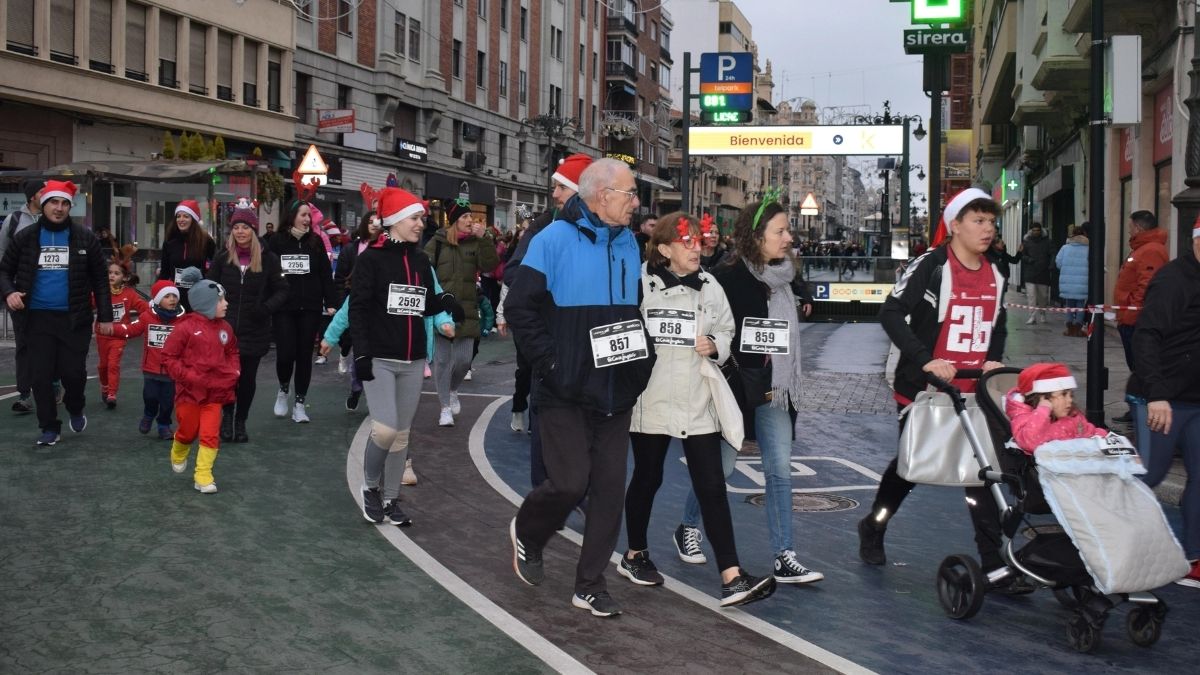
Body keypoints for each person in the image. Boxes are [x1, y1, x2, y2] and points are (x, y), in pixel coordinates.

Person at [506, 158, 655, 618]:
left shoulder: (630, 242)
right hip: (564, 390)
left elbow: (633, 308)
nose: (636, 202)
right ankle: (529, 533)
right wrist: (553, 363)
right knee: (569, 485)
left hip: (616, 390)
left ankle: (589, 584)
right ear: (601, 194)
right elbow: (520, 309)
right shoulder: (551, 240)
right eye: (629, 193)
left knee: (610, 491)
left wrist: (641, 361)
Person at [857, 188, 1024, 591]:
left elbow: (996, 325)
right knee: (911, 467)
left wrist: (994, 360)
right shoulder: (931, 266)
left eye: (990, 221)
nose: (987, 229)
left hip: (974, 390)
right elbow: (891, 313)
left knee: (981, 474)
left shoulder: (996, 272)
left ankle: (991, 560)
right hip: (923, 389)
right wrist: (925, 359)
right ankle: (874, 525)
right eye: (978, 221)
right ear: (954, 226)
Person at [620, 212, 776, 607]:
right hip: (651, 397)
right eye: (686, 242)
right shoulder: (640, 282)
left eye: (699, 241)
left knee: (711, 485)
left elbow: (727, 328)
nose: (696, 248)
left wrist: (715, 344)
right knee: (648, 477)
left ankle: (732, 576)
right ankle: (635, 554)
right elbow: (622, 327)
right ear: (664, 247)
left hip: (697, 395)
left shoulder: (710, 285)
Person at [712, 190, 823, 585]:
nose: (789, 238)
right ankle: (689, 525)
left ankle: (784, 555)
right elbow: (714, 329)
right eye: (782, 231)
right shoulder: (729, 277)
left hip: (776, 389)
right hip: (738, 387)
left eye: (788, 230)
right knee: (720, 467)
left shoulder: (785, 277)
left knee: (779, 470)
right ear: (757, 236)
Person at [349, 187, 462, 526]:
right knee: (384, 430)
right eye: (415, 218)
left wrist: (446, 304)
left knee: (400, 434)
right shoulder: (370, 259)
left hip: (413, 360)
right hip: (380, 358)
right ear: (396, 221)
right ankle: (370, 486)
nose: (420, 224)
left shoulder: (420, 259)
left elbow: (424, 303)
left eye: (421, 219)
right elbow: (358, 308)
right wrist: (362, 353)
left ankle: (390, 498)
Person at [0, 180, 112, 446]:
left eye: (64, 204)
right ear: (43, 204)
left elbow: (100, 279)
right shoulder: (25, 237)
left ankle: (75, 406)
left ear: (70, 207)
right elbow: (4, 270)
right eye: (54, 202)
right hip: (36, 319)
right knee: (40, 376)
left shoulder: (85, 238)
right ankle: (49, 427)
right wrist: (9, 292)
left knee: (73, 374)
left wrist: (106, 317)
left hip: (75, 320)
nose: (59, 208)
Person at [501, 153, 592, 477]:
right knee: (546, 428)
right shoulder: (543, 227)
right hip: (549, 341)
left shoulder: (612, 234)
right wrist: (550, 283)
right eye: (555, 186)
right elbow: (513, 273)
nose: (553, 193)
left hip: (589, 354)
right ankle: (543, 503)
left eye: (561, 187)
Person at [1128, 222, 1200, 587]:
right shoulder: (1174, 280)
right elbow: (1147, 336)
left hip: (1195, 400)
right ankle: (1119, 545)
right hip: (1162, 399)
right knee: (1149, 475)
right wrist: (1156, 394)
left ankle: (1193, 557)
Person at [207, 203, 288, 443]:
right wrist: (215, 310)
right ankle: (227, 418)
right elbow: (210, 287)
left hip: (255, 329)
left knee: (247, 379)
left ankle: (241, 421)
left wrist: (264, 309)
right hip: (226, 329)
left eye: (245, 227)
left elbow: (282, 290)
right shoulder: (222, 258)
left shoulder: (268, 258)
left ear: (253, 229)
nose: (240, 231)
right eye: (236, 227)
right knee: (227, 377)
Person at [162, 271, 240, 494]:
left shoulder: (225, 328)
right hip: (189, 393)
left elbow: (233, 350)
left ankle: (203, 474)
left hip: (215, 393)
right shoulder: (184, 328)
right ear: (207, 304)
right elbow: (169, 358)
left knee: (209, 433)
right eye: (220, 300)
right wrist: (188, 377)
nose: (225, 304)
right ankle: (179, 447)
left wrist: (234, 370)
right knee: (188, 430)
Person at [424, 199, 499, 426]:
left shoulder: (476, 243)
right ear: (455, 221)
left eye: (471, 217)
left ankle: (453, 389)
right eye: (465, 217)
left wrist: (485, 239)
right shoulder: (437, 243)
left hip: (466, 310)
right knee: (443, 362)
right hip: (441, 311)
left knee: (464, 360)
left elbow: (490, 265)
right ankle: (445, 408)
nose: (470, 221)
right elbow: (424, 270)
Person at [267, 199, 338, 423]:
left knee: (304, 356)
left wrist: (330, 301)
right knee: (286, 353)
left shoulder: (316, 242)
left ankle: (299, 403)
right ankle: (283, 388)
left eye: (309, 215)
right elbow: (268, 272)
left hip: (310, 307)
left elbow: (326, 275)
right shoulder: (277, 241)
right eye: (303, 214)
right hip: (284, 307)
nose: (307, 219)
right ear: (292, 216)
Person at [1113, 210, 1169, 424]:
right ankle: (1137, 406)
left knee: (1141, 366)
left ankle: (1143, 407)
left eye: (1130, 225)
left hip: (1136, 320)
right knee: (1136, 366)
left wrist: (1131, 313)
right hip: (1129, 317)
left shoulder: (1150, 250)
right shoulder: (1142, 248)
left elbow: (1146, 286)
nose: (1128, 229)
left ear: (1138, 227)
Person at [2, 180, 43, 414]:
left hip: (49, 292)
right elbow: (2, 255)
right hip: (20, 291)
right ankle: (25, 394)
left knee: (51, 340)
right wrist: (7, 289)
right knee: (24, 344)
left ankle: (54, 383)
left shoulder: (54, 221)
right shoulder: (14, 220)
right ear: (31, 197)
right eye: (42, 192)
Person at [1004, 363, 1106, 452]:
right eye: (1064, 394)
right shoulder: (1025, 419)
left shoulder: (1072, 416)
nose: (1070, 400)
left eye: (1071, 395)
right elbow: (1029, 442)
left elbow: (1087, 431)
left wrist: (1102, 436)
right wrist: (1042, 412)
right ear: (1043, 398)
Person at [96, 257, 149, 408]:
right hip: (102, 334)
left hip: (119, 336)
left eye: (116, 273)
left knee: (113, 364)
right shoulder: (101, 292)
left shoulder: (130, 293)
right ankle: (105, 386)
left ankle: (112, 394)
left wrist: (154, 310)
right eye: (110, 273)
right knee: (103, 366)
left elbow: (143, 308)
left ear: (124, 277)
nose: (112, 276)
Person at [139, 279, 184, 440]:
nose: (172, 299)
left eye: (174, 296)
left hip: (171, 372)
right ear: (158, 300)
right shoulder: (146, 317)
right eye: (167, 296)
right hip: (150, 369)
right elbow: (132, 329)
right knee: (150, 396)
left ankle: (164, 425)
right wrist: (111, 329)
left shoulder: (182, 320)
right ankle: (148, 414)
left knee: (167, 402)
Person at [158, 200, 216, 311]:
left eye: (186, 216)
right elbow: (164, 272)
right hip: (175, 297)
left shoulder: (206, 241)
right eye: (178, 216)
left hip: (199, 295)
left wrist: (205, 282)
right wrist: (159, 293)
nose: (181, 220)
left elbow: (215, 267)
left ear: (193, 219)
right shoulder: (169, 242)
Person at [1054, 224, 1089, 337]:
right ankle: (1078, 328)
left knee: (1069, 305)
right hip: (1082, 283)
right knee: (1080, 306)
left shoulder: (1065, 248)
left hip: (1067, 282)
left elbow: (1058, 263)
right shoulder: (1088, 249)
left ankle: (1069, 328)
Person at [1018, 222, 1053, 324]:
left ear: (1041, 231)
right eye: (1034, 230)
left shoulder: (1048, 242)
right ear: (1031, 231)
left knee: (1043, 296)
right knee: (1031, 296)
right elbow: (1022, 255)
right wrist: (1029, 260)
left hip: (1043, 272)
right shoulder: (1026, 242)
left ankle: (1042, 314)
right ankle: (1032, 316)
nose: (1036, 232)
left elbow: (1052, 253)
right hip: (1030, 272)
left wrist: (1051, 265)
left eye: (1037, 230)